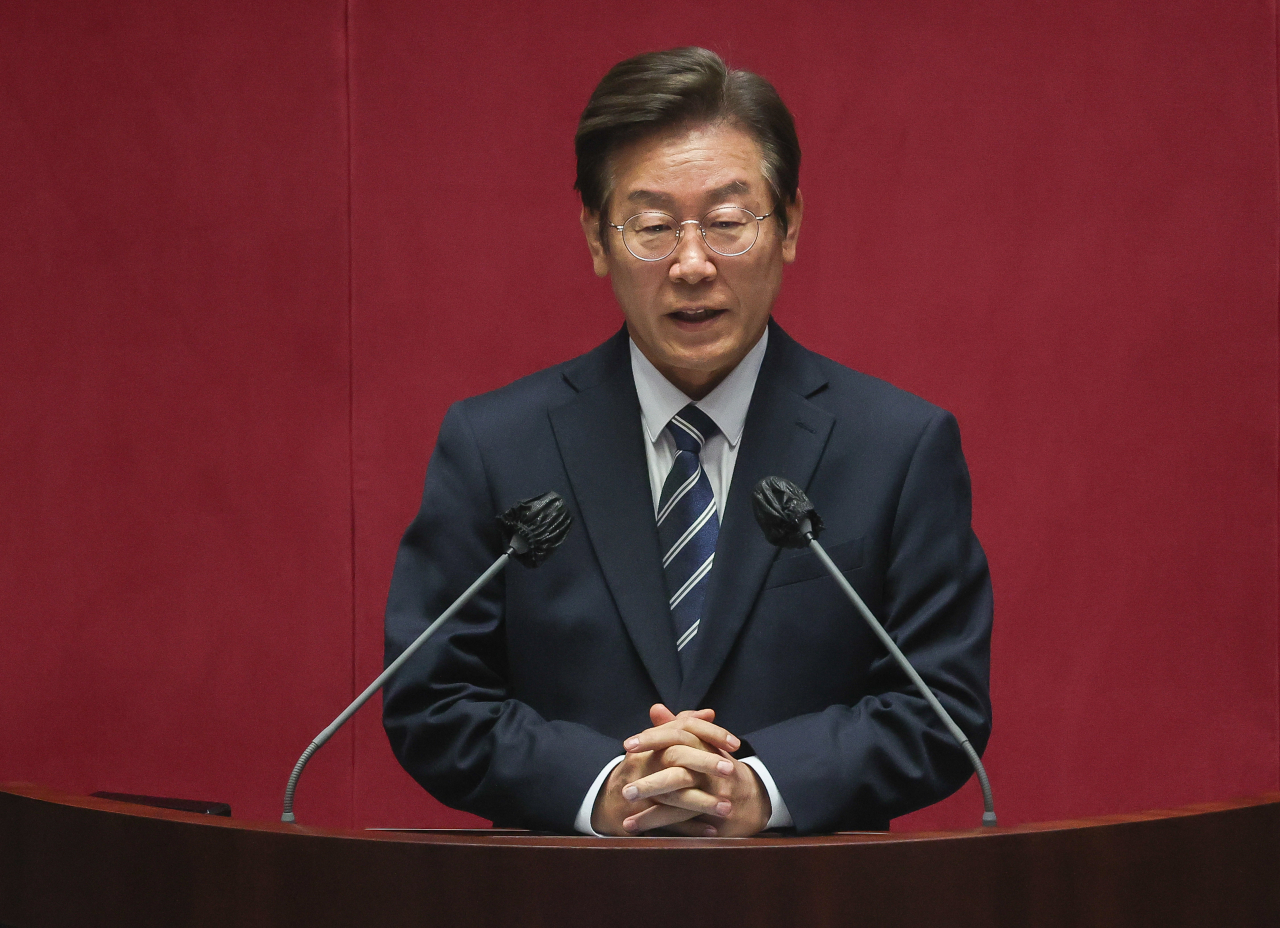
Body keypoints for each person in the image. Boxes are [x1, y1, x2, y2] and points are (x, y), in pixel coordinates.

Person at [383, 47, 992, 837]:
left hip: (810, 900)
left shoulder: (899, 448)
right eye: (653, 227)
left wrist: (758, 788)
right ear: (598, 241)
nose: (694, 263)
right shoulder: (497, 446)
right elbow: (430, 697)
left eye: (729, 223)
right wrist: (606, 787)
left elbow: (940, 704)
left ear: (790, 227)